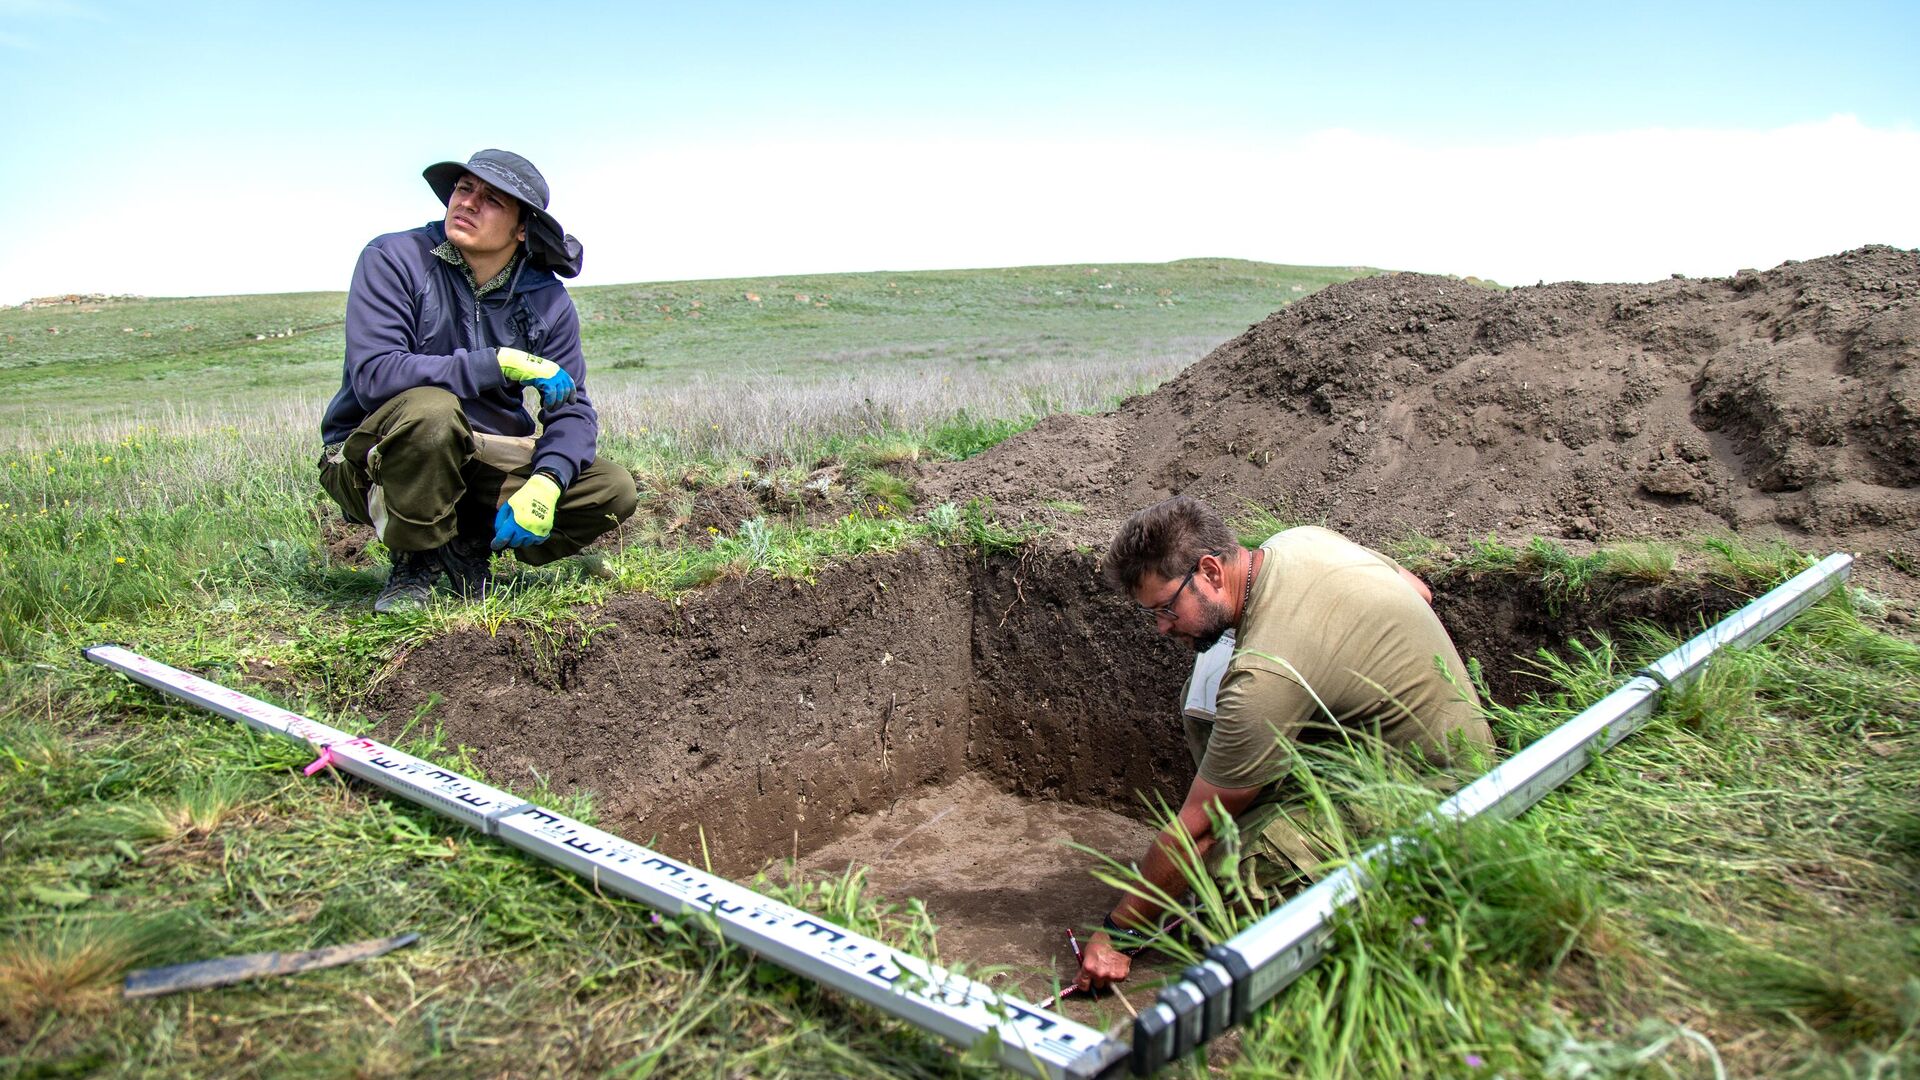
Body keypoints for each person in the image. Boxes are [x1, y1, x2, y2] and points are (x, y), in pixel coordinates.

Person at [1075, 495, 1492, 991]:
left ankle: (1389, 910)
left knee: (1220, 880)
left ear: (1210, 571)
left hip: (1437, 801)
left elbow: (1197, 831)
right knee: (1204, 689)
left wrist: (1119, 933)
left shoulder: (1267, 676)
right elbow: (1417, 591)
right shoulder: (1297, 542)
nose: (1163, 627)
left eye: (1167, 608)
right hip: (1434, 748)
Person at [319, 149, 637, 612]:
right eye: (464, 188)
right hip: (375, 458)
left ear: (522, 227)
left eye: (491, 199)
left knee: (612, 488)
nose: (466, 202)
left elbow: (573, 411)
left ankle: (466, 548)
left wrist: (548, 480)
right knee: (432, 410)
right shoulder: (394, 258)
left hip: (480, 458)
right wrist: (496, 363)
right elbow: (375, 375)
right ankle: (415, 564)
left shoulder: (546, 299)